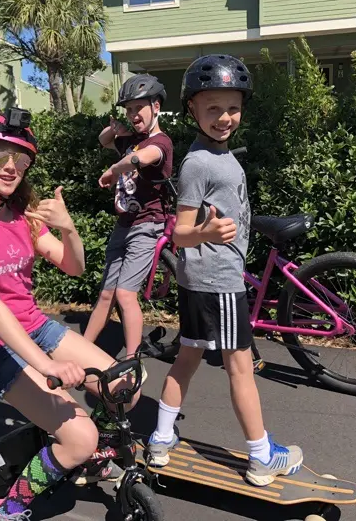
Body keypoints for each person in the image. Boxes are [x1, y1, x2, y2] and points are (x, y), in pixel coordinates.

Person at [0, 110, 140, 521]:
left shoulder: (23, 215)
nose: (11, 166)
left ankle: (84, 450)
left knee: (124, 386)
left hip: (33, 328)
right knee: (80, 437)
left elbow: (74, 266)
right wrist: (47, 365)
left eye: (21, 159)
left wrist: (68, 228)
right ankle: (11, 505)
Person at [145, 55, 304, 487]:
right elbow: (177, 234)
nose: (224, 117)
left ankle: (160, 440)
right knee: (240, 367)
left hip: (202, 280)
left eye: (232, 107)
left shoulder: (220, 155)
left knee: (188, 358)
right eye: (212, 108)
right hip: (218, 281)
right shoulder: (199, 163)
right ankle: (260, 456)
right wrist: (207, 232)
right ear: (192, 109)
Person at [83, 74, 174, 366]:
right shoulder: (130, 140)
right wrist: (115, 129)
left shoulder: (161, 142)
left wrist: (113, 170)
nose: (134, 115)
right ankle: (81, 349)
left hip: (148, 225)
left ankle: (132, 361)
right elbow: (103, 140)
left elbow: (141, 159)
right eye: (129, 109)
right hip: (124, 224)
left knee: (124, 293)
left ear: (156, 106)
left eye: (139, 108)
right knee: (106, 293)